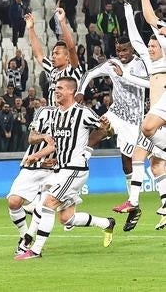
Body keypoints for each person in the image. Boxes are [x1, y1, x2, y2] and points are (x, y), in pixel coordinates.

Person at [15, 77, 116, 260]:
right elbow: (54, 145)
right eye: (55, 88)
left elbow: (106, 130)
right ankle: (106, 223)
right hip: (61, 169)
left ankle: (33, 248)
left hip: (75, 169)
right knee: (66, 218)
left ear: (71, 91)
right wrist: (37, 157)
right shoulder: (55, 116)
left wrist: (107, 128)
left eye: (60, 88)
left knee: (47, 204)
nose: (56, 91)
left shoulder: (83, 113)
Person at [111, 0, 166, 231]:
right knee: (143, 157)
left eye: (155, 44)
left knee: (146, 131)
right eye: (152, 44)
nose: (152, 45)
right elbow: (145, 24)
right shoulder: (153, 60)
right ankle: (136, 201)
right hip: (157, 115)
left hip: (161, 114)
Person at [75, 35, 149, 220]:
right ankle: (77, 168)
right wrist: (80, 91)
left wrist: (126, 75)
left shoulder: (141, 64)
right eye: (119, 50)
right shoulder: (111, 64)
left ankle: (134, 204)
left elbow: (150, 83)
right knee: (95, 134)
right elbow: (89, 74)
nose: (121, 54)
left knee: (127, 164)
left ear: (132, 49)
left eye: (125, 50)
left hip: (133, 122)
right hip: (115, 114)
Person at [7, 105, 57, 254]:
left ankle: (29, 244)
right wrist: (44, 137)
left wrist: (58, 161)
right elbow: (31, 138)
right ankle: (24, 235)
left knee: (64, 216)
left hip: (56, 171)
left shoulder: (77, 116)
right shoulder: (44, 112)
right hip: (32, 167)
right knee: (13, 202)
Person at [25, 9, 83, 106]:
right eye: (52, 54)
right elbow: (38, 54)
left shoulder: (73, 70)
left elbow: (72, 48)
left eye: (57, 53)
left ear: (67, 57)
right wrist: (31, 29)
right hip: (54, 117)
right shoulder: (53, 70)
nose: (53, 56)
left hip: (68, 116)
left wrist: (62, 23)